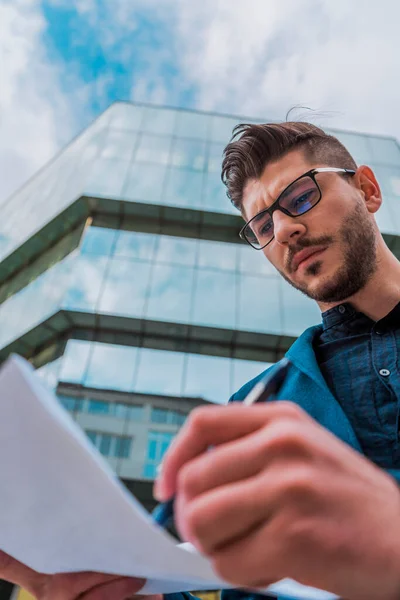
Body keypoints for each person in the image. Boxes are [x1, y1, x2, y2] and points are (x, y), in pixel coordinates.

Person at [2, 121, 400, 600]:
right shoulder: (251, 414)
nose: (286, 230)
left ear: (369, 190)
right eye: (264, 225)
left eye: (300, 199)